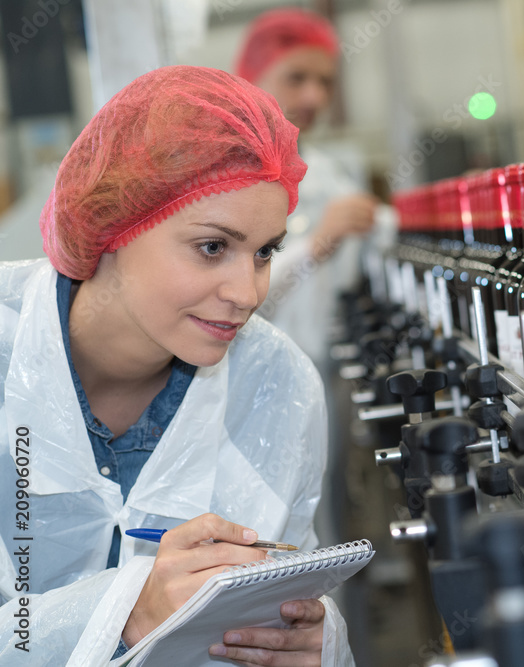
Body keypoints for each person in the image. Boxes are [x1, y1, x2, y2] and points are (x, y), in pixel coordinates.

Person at [0, 66, 354, 665]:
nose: (246, 292)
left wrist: (310, 644)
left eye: (265, 251)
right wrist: (124, 610)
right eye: (212, 247)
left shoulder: (276, 385)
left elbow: (293, 571)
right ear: (113, 221)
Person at [234, 8, 386, 369]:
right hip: (252, 376)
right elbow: (233, 295)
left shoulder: (324, 170)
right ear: (252, 77)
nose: (314, 98)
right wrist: (318, 245)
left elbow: (384, 238)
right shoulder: (227, 177)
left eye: (326, 82)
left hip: (323, 370)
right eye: (296, 78)